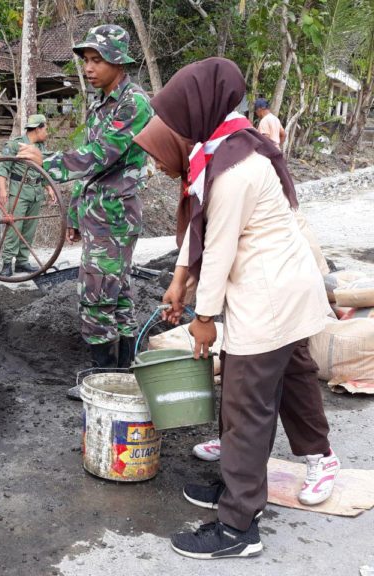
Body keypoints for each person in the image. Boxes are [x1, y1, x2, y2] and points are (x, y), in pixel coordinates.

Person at [133, 58, 340, 560]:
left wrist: (202, 321)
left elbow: (219, 248)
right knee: (288, 378)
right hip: (283, 289)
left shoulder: (233, 172)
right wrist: (179, 282)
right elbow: (201, 233)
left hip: (268, 298)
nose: (158, 164)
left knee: (245, 407)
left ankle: (239, 525)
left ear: (194, 117)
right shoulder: (222, 151)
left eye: (175, 120)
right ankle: (248, 487)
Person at [17, 24, 152, 396]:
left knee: (95, 298)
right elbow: (93, 172)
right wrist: (76, 213)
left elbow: (101, 154)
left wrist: (48, 163)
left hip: (116, 216)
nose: (89, 68)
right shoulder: (101, 102)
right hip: (98, 214)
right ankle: (122, 378)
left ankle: (101, 381)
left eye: (98, 60)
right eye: (87, 61)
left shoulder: (134, 103)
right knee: (118, 293)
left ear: (118, 62)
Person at [0, 113, 56, 277]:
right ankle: (7, 263)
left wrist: (49, 188)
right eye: (46, 129)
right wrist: (2, 190)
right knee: (14, 228)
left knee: (29, 230)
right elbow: (2, 168)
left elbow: (42, 171)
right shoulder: (15, 145)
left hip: (36, 193)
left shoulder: (41, 148)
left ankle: (22, 262)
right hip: (19, 193)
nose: (47, 133)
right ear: (38, 129)